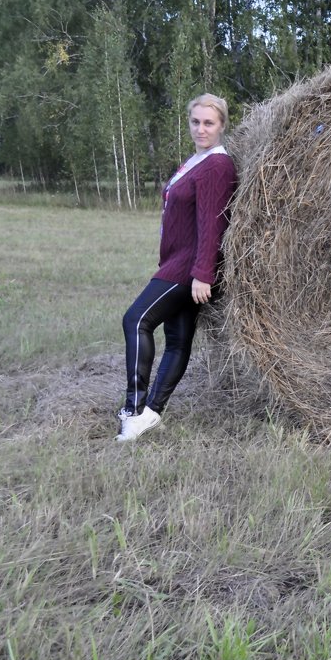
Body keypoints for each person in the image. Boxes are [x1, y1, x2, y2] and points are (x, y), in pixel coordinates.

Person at [115, 93, 238, 442]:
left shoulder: (217, 165)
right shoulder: (196, 161)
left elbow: (214, 223)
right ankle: (151, 415)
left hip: (187, 268)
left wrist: (203, 273)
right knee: (177, 340)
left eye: (209, 123)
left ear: (222, 126)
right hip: (177, 261)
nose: (201, 129)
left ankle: (134, 408)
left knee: (136, 320)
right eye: (196, 122)